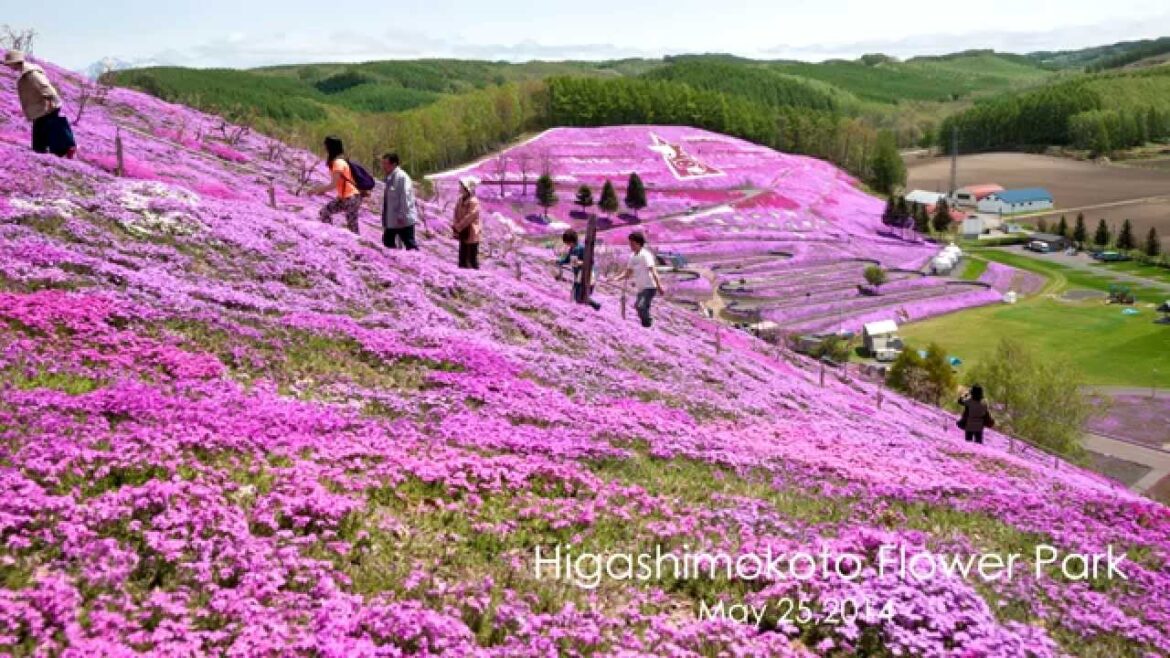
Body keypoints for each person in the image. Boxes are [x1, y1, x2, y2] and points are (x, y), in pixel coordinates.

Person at [4, 50, 76, 158]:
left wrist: (50, 99)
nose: (9, 66)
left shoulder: (31, 73)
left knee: (41, 140)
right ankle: (64, 149)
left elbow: (45, 86)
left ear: (15, 62)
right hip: (41, 108)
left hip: (46, 107)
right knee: (46, 135)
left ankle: (65, 149)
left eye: (9, 63)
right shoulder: (26, 72)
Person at [312, 136, 362, 235]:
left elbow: (333, 185)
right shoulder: (338, 161)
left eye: (325, 145)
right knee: (324, 212)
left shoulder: (338, 163)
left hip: (351, 198)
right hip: (345, 197)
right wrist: (322, 191)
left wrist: (316, 190)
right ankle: (331, 235)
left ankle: (358, 247)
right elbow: (339, 183)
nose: (324, 147)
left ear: (330, 147)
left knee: (353, 228)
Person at [616, 231, 663, 328]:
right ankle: (646, 328)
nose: (630, 246)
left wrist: (659, 286)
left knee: (640, 306)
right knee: (639, 306)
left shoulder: (646, 255)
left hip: (650, 286)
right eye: (630, 243)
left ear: (638, 243)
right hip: (641, 287)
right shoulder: (632, 256)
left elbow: (653, 270)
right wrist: (617, 278)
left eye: (632, 244)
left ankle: (648, 322)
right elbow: (628, 272)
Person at [381, 152, 418, 250]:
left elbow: (405, 197)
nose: (383, 166)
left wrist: (401, 214)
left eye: (385, 164)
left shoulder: (402, 177)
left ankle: (417, 262)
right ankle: (397, 261)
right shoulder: (390, 177)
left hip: (402, 219)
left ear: (394, 164)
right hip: (392, 220)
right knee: (387, 241)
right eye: (383, 163)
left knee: (410, 244)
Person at [556, 229, 601, 311]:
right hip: (578, 276)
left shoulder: (581, 248)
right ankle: (593, 307)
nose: (567, 244)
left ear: (571, 241)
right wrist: (558, 261)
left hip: (586, 276)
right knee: (578, 296)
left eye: (567, 242)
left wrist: (580, 263)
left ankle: (595, 306)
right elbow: (568, 260)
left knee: (580, 297)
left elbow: (590, 262)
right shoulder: (572, 249)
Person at [452, 177, 482, 269]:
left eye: (461, 186)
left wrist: (459, 226)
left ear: (466, 188)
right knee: (462, 258)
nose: (459, 187)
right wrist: (456, 225)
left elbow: (470, 217)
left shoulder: (474, 201)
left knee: (472, 259)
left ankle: (475, 278)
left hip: (471, 233)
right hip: (463, 233)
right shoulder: (460, 199)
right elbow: (455, 213)